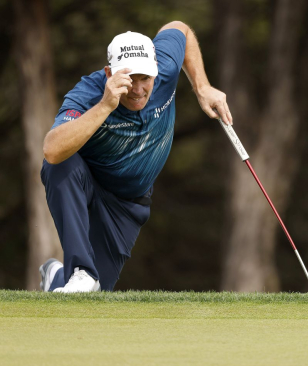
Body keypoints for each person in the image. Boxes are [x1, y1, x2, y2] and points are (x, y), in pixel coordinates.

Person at [38, 21, 232, 293]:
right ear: (109, 73)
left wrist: (202, 86)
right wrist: (105, 105)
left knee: (91, 296)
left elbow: (181, 29)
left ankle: (57, 276)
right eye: (129, 79)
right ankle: (81, 270)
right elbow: (51, 149)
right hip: (85, 183)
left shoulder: (164, 67)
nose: (138, 89)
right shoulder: (90, 93)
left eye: (145, 78)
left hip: (126, 204)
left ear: (156, 71)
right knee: (59, 164)